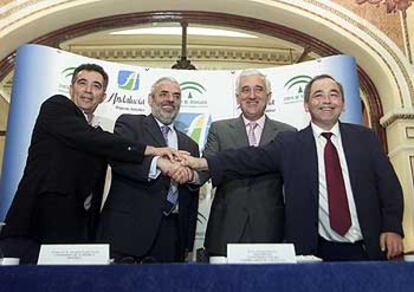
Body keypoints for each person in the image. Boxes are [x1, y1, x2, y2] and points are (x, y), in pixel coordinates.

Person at [181, 74, 404, 261]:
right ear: (306, 105)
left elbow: (389, 186)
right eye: (318, 95)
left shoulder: (365, 138)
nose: (326, 100)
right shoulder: (291, 142)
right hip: (315, 252)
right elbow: (249, 158)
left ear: (343, 104)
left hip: (370, 245)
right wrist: (202, 162)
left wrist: (392, 226)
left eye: (333, 94)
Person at [0, 63, 179, 263]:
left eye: (96, 86)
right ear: (71, 88)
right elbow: (92, 139)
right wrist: (152, 150)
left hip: (75, 233)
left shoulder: (98, 133)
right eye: (82, 83)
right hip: (34, 226)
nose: (88, 90)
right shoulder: (57, 107)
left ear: (103, 96)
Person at [97, 77, 200, 263]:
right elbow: (120, 161)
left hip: (172, 236)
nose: (170, 99)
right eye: (164, 94)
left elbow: (191, 199)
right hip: (129, 233)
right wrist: (159, 163)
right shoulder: (130, 124)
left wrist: (187, 242)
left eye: (176, 96)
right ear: (151, 99)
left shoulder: (190, 145)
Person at [201, 70, 295, 257]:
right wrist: (184, 171)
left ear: (268, 96)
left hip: (271, 228)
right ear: (237, 97)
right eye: (245, 90)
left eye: (258, 89)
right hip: (226, 228)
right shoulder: (219, 129)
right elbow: (205, 169)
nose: (252, 96)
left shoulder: (288, 134)